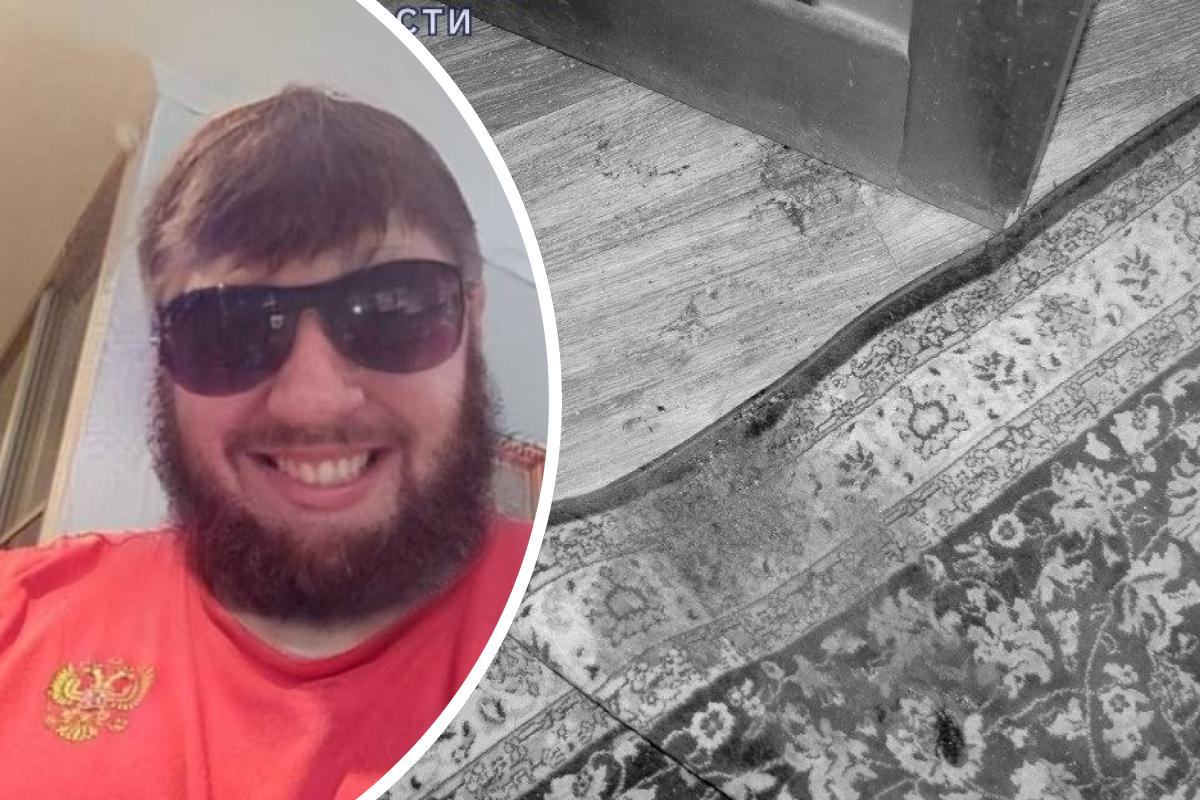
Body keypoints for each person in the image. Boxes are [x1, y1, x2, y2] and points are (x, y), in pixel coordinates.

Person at [0, 86, 533, 799]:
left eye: (392, 309)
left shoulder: (584, 605)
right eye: (229, 327)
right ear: (164, 361)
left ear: (473, 320)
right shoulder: (17, 615)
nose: (314, 399)